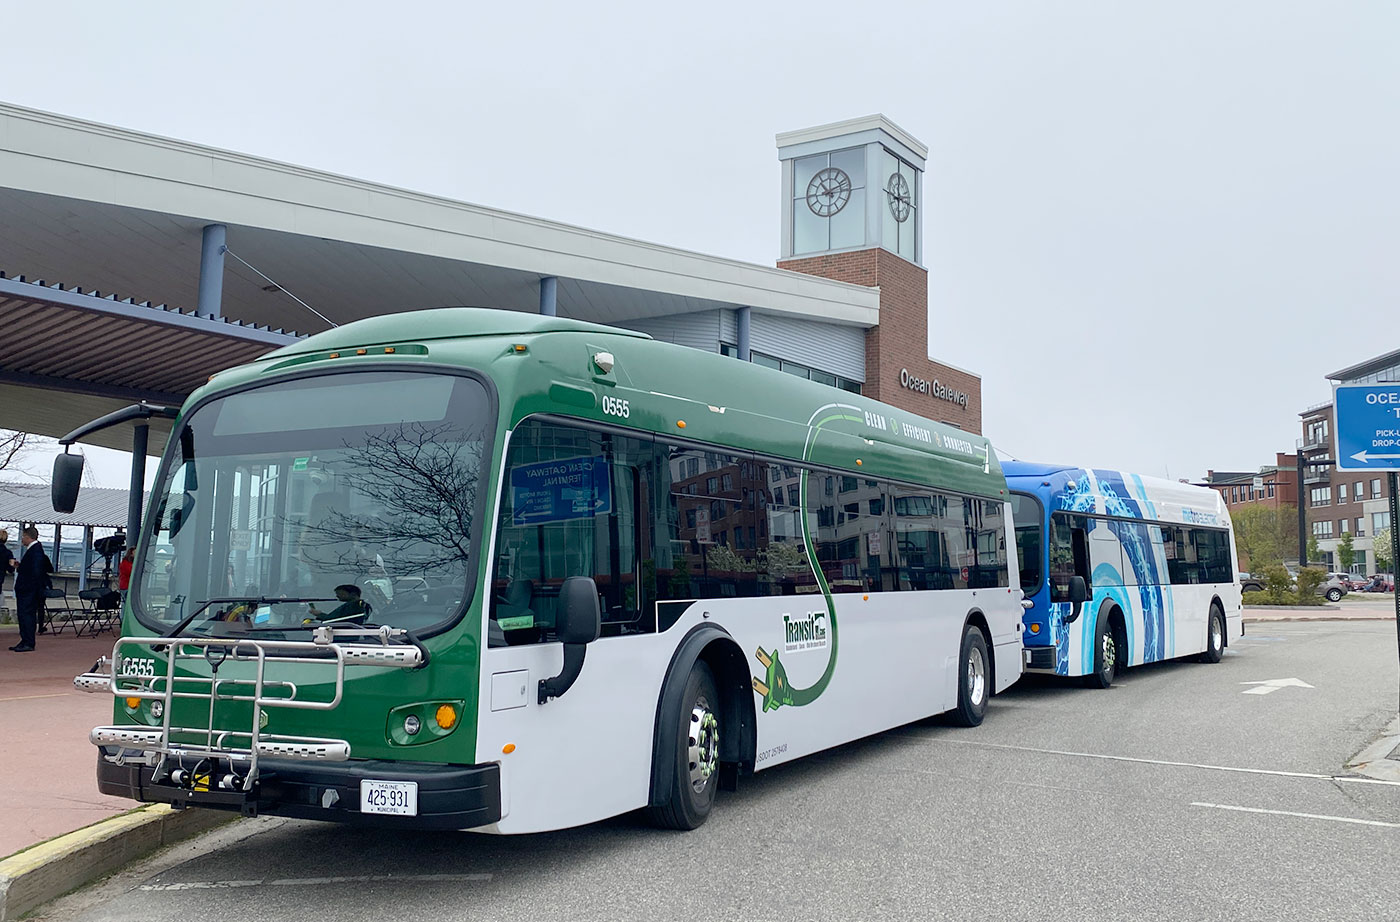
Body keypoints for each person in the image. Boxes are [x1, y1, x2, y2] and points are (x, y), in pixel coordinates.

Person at [11, 526, 53, 653]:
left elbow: (36, 571)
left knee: (27, 615)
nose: (22, 539)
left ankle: (28, 641)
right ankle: (24, 640)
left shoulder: (35, 551)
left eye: (23, 537)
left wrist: (31, 588)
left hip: (29, 590)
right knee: (23, 615)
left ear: (28, 537)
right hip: (28, 589)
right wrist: (21, 566)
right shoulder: (34, 551)